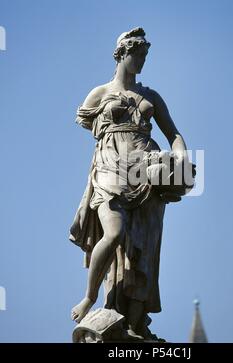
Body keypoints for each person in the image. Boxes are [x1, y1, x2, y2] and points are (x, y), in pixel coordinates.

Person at [69, 27, 189, 340]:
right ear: (122, 53)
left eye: (146, 56)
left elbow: (173, 135)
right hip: (110, 168)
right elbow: (86, 122)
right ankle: (89, 297)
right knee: (115, 232)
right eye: (138, 55)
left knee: (143, 254)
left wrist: (180, 159)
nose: (142, 61)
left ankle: (135, 324)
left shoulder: (151, 97)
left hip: (148, 174)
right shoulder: (99, 94)